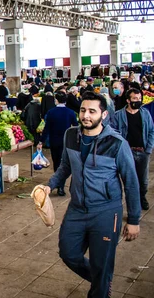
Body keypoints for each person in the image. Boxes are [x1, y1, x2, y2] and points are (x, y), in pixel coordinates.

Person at [44, 92, 141, 297]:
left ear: (103, 115)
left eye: (92, 111)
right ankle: (102, 279)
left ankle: (101, 286)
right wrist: (49, 185)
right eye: (82, 110)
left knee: (101, 261)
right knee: (68, 253)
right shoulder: (70, 135)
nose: (86, 115)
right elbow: (65, 166)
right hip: (77, 209)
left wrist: (133, 219)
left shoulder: (117, 143)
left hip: (106, 211)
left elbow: (131, 182)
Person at [111, 88, 154, 210]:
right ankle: (132, 205)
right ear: (128, 100)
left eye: (139, 98)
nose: (138, 101)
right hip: (127, 152)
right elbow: (114, 132)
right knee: (129, 180)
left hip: (142, 151)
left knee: (143, 180)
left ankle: (142, 197)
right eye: (135, 98)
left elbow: (151, 131)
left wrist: (148, 149)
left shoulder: (145, 113)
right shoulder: (119, 115)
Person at [38, 92, 77, 196]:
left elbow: (46, 129)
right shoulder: (71, 112)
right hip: (67, 142)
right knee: (64, 164)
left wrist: (41, 141)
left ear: (56, 100)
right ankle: (61, 187)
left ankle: (58, 185)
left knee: (56, 163)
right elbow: (76, 127)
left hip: (54, 141)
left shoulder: (51, 112)